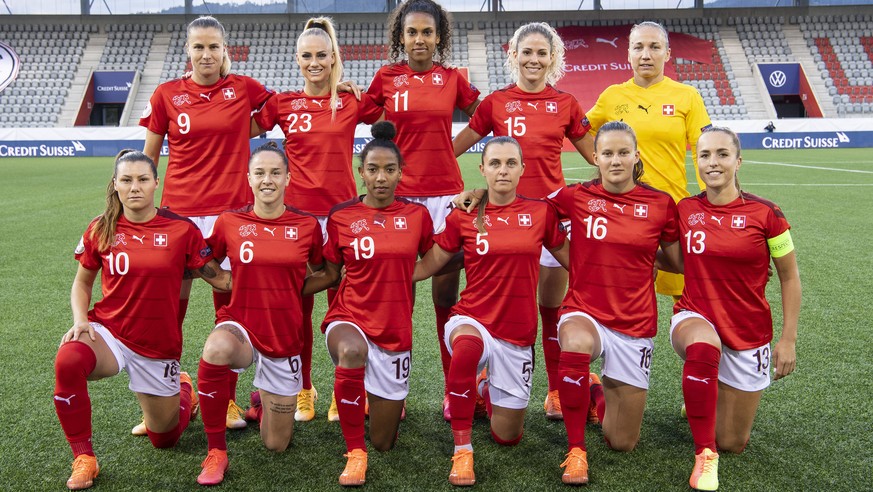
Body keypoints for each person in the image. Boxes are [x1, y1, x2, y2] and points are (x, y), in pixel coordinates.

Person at [55, 150, 230, 491]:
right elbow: (82, 282)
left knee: (163, 440)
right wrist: (80, 320)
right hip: (111, 331)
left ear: (156, 184)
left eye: (142, 179)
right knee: (68, 360)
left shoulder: (182, 229)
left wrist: (281, 277)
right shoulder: (100, 228)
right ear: (116, 185)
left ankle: (184, 392)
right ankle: (84, 458)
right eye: (126, 180)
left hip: (157, 344)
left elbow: (221, 279)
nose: (135, 187)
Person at [139, 15, 274, 432]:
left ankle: (227, 400)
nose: (206, 54)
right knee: (168, 309)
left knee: (228, 303)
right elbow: (149, 157)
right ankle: (167, 393)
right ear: (187, 50)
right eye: (198, 46)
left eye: (213, 46)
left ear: (224, 48)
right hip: (178, 214)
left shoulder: (245, 88)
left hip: (229, 212)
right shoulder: (166, 94)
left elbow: (276, 110)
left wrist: (336, 86)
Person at [452, 22, 590, 420]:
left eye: (541, 53)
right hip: (500, 218)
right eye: (525, 52)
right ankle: (485, 382)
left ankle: (555, 391)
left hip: (549, 216)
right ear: (512, 55)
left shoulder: (565, 103)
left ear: (553, 59)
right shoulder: (495, 102)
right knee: (497, 306)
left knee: (550, 306)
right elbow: (453, 148)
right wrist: (458, 189)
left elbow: (597, 158)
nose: (533, 60)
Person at [414, 137, 568, 486]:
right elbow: (428, 266)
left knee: (507, 436)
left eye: (511, 163)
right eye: (495, 163)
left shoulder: (540, 213)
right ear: (482, 169)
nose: (503, 169)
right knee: (466, 350)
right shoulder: (464, 216)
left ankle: (484, 389)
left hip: (517, 333)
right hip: (472, 318)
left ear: (522, 169)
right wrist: (377, 269)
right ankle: (463, 450)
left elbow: (574, 260)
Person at [252, 16, 382, 423]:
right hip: (299, 222)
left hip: (344, 218)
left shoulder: (351, 101)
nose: (314, 63)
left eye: (321, 56)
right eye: (307, 56)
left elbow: (391, 108)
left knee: (346, 307)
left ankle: (349, 390)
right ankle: (304, 388)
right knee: (300, 308)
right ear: (296, 59)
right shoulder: (282, 104)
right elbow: (239, 122)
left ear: (333, 57)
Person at [546, 121, 681, 485]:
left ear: (636, 155)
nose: (616, 160)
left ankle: (593, 392)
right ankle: (576, 451)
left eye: (623, 152)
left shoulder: (660, 204)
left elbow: (679, 261)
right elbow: (532, 213)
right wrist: (480, 195)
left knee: (623, 442)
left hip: (634, 323)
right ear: (595, 157)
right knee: (574, 344)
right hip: (584, 310)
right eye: (607, 153)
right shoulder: (575, 196)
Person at [367, 0, 481, 420]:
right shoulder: (386, 78)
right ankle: (391, 392)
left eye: (427, 32)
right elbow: (357, 115)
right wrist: (341, 90)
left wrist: (453, 152)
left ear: (439, 37)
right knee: (398, 297)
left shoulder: (452, 79)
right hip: (398, 200)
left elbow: (485, 118)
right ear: (401, 37)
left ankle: (455, 390)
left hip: (445, 198)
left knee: (446, 297)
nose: (419, 39)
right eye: (411, 32)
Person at [670, 127, 800, 491]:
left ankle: (703, 403)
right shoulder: (686, 209)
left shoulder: (767, 214)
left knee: (734, 442)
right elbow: (673, 259)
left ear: (738, 161)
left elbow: (789, 278)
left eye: (722, 154)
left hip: (747, 332)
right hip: (694, 317)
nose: (713, 163)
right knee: (702, 345)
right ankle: (704, 455)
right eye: (705, 155)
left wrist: (788, 340)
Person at [194, 143, 326, 486]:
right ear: (248, 179)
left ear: (287, 178)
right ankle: (216, 452)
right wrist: (223, 280)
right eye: (260, 173)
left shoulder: (307, 225)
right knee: (215, 349)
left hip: (284, 336)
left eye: (275, 173)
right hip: (242, 326)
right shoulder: (230, 222)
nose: (267, 179)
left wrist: (292, 287)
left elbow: (324, 272)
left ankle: (261, 405)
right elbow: (201, 257)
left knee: (276, 445)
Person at [315, 122, 434, 486]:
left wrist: (403, 276)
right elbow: (330, 274)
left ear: (401, 172)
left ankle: (370, 432)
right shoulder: (342, 217)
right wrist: (282, 287)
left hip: (395, 331)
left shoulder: (417, 216)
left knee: (384, 442)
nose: (380, 177)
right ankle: (355, 452)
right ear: (360, 171)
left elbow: (436, 257)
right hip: (349, 317)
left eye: (389, 169)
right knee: (351, 351)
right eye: (373, 169)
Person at [581, 21, 712, 300]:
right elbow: (580, 130)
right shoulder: (612, 96)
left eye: (654, 47)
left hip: (672, 209)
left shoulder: (687, 96)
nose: (646, 54)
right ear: (628, 54)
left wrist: (709, 201)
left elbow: (704, 149)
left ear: (667, 53)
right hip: (623, 213)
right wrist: (603, 165)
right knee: (624, 297)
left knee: (688, 295)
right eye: (638, 47)